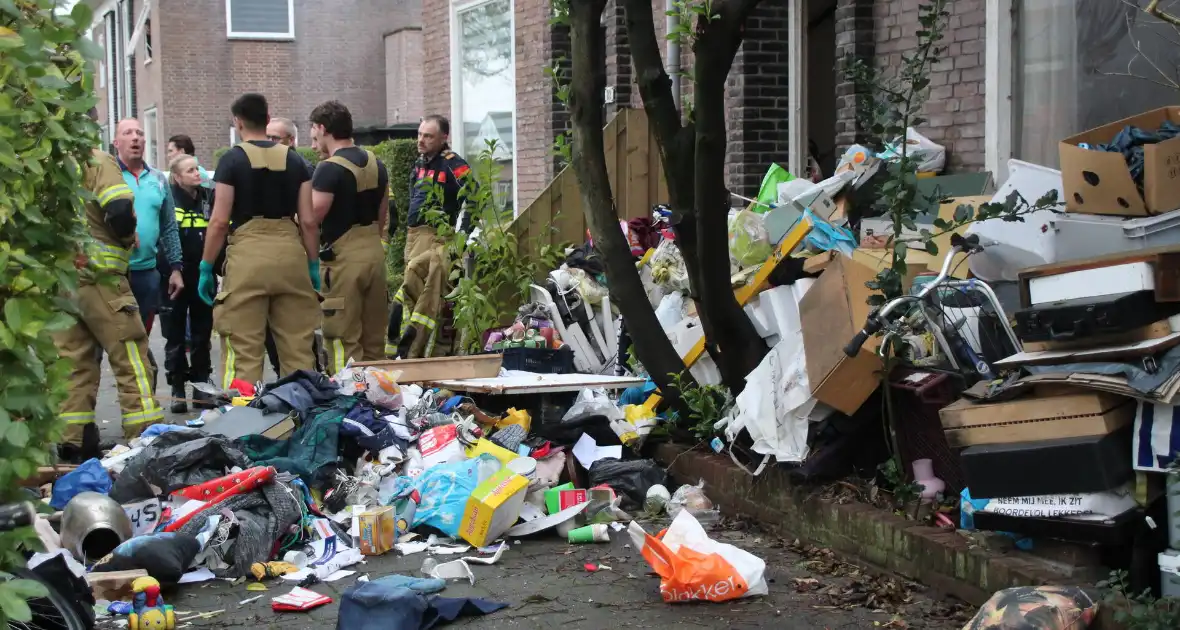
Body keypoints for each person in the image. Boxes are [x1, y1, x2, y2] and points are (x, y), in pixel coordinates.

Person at [197, 93, 321, 388]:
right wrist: (313, 264)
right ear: (267, 119)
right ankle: (304, 420)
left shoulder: (232, 160)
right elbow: (308, 221)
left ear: (237, 122)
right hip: (290, 257)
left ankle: (240, 421)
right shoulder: (295, 161)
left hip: (248, 259)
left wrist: (205, 266)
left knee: (244, 351)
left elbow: (218, 221)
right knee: (297, 349)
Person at [55, 148, 165, 459]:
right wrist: (130, 237)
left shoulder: (49, 161)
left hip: (62, 279)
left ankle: (74, 442)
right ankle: (145, 438)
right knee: (130, 355)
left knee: (73, 362)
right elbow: (118, 209)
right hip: (100, 277)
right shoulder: (96, 159)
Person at [308, 100, 389, 372]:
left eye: (314, 135)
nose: (314, 142)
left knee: (342, 338)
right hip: (374, 257)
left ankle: (348, 399)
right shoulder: (377, 165)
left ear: (322, 128)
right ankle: (379, 402)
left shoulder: (328, 169)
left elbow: (312, 218)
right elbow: (382, 216)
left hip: (342, 263)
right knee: (374, 339)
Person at [388, 115, 474, 359]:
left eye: (428, 136)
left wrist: (462, 237)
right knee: (412, 291)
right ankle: (408, 348)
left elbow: (477, 199)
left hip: (437, 237)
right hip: (413, 238)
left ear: (444, 137)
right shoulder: (420, 164)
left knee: (425, 288)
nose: (421, 140)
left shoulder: (454, 165)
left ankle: (422, 350)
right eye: (419, 134)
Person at [113, 118, 184, 333]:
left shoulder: (158, 178)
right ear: (116, 142)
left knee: (139, 336)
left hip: (146, 273)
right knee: (108, 340)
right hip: (112, 272)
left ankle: (142, 367)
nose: (135, 137)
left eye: (139, 133)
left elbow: (169, 226)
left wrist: (176, 268)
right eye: (128, 133)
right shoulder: (107, 176)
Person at [164, 155, 219, 413]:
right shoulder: (170, 200)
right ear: (177, 177)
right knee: (174, 335)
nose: (197, 173)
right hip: (175, 275)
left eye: (197, 168)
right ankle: (176, 388)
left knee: (202, 333)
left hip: (202, 274)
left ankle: (200, 385)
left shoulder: (207, 199)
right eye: (190, 170)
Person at [262, 115, 315, 376]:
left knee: (296, 328)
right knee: (269, 330)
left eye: (274, 138)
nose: (268, 142)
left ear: (291, 140)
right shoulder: (263, 167)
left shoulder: (303, 169)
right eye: (266, 137)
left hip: (297, 256)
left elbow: (310, 219)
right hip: (270, 258)